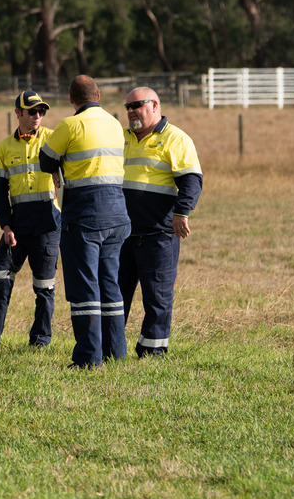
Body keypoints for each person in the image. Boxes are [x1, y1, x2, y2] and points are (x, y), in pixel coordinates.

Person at [39, 75, 130, 368]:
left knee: (85, 288)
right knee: (110, 284)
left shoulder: (69, 125)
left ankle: (88, 358)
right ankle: (116, 352)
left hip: (85, 215)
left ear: (71, 99)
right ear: (99, 95)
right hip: (118, 212)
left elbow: (45, 160)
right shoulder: (115, 124)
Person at [119, 86, 203, 357]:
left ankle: (151, 351)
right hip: (121, 234)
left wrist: (182, 212)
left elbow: (191, 179)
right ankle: (111, 347)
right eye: (128, 107)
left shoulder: (175, 139)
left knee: (157, 298)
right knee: (115, 295)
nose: (131, 111)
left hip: (157, 234)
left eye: (137, 105)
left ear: (155, 105)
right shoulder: (121, 138)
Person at [0, 90, 61, 349]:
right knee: (0, 280)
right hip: (17, 226)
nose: (38, 116)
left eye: (41, 112)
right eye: (32, 111)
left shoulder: (53, 140)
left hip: (48, 224)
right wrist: (6, 226)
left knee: (44, 288)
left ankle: (40, 340)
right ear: (18, 113)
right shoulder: (4, 147)